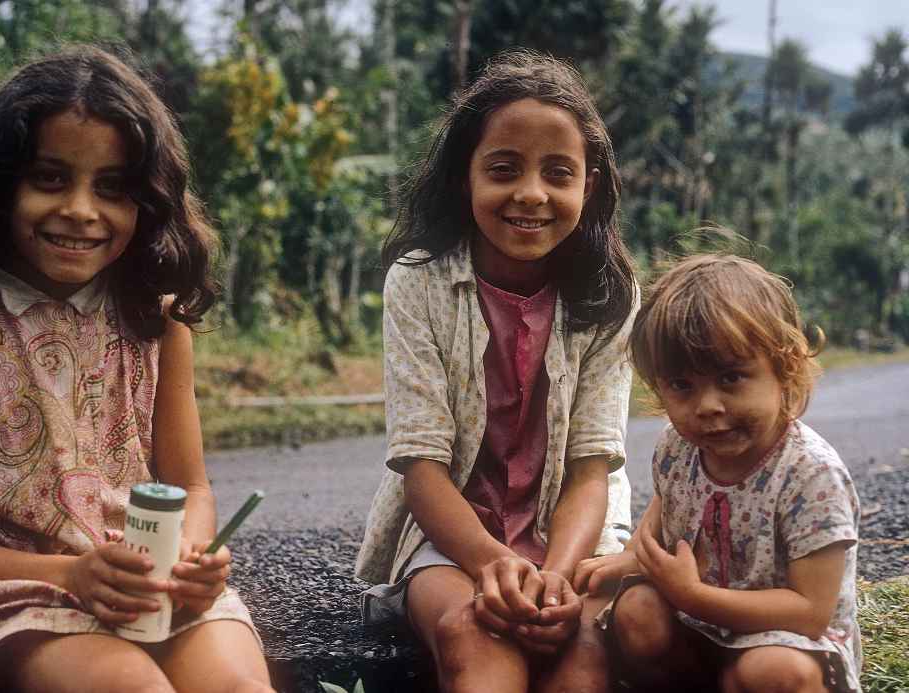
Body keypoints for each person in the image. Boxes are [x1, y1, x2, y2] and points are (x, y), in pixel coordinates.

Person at [0, 46, 273, 693]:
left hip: (150, 590)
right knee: (134, 687)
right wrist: (72, 574)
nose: (82, 211)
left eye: (112, 187)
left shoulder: (155, 317)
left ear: (147, 200)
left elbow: (191, 487)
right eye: (51, 178)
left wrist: (191, 560)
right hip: (18, 602)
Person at [355, 49, 639, 693]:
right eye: (504, 170)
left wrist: (557, 577)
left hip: (575, 536)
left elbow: (593, 470)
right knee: (471, 634)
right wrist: (494, 565)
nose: (531, 194)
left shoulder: (608, 295)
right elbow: (421, 468)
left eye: (558, 173)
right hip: (455, 535)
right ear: (465, 176)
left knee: (582, 653)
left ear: (587, 185)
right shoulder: (419, 283)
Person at [574, 254, 861, 692]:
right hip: (703, 629)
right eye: (682, 385)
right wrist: (629, 559)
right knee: (636, 612)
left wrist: (694, 596)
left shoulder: (811, 474)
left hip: (787, 640)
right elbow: (667, 516)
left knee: (772, 672)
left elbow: (809, 611)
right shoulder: (678, 445)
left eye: (731, 378)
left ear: (785, 369)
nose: (707, 406)